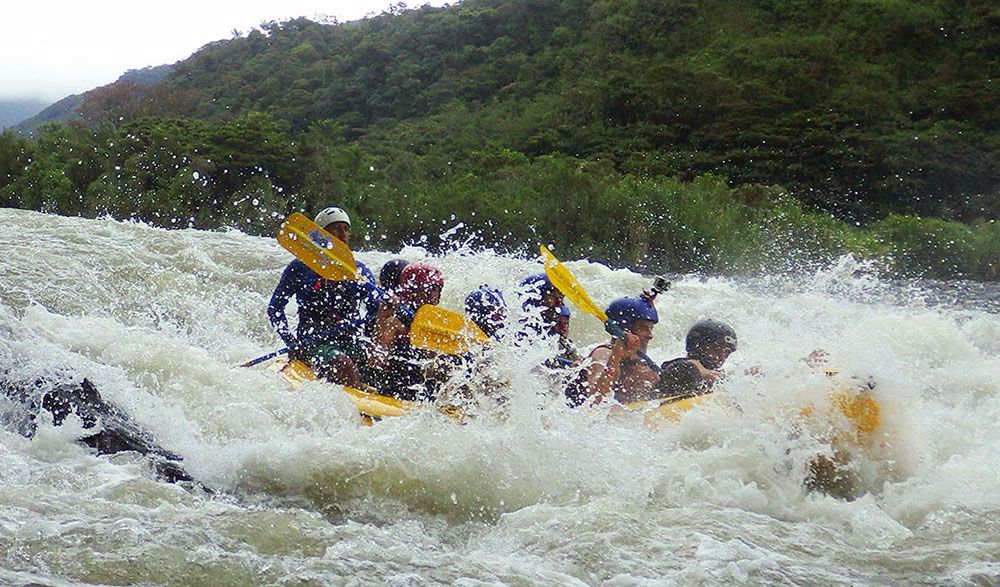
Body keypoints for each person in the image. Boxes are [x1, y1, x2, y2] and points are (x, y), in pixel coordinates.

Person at [267, 206, 376, 382]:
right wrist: (291, 342)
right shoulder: (299, 268)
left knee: (383, 363)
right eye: (335, 228)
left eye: (346, 228)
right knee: (342, 363)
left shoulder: (359, 271)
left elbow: (375, 309)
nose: (342, 234)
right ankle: (361, 394)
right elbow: (275, 309)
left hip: (350, 341)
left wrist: (385, 311)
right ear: (321, 235)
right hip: (312, 343)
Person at [362, 262, 445, 400]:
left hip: (424, 386)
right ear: (411, 290)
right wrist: (382, 319)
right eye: (427, 288)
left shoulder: (436, 320)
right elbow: (376, 361)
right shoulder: (393, 320)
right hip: (397, 386)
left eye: (436, 288)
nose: (432, 293)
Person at [568, 296, 660, 406]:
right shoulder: (603, 354)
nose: (650, 335)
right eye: (644, 328)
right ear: (626, 329)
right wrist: (615, 357)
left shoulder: (642, 363)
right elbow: (594, 401)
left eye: (651, 328)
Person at [656, 319, 738, 398]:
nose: (721, 358)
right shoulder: (677, 369)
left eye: (726, 353)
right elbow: (685, 367)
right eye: (716, 350)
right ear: (698, 346)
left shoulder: (712, 376)